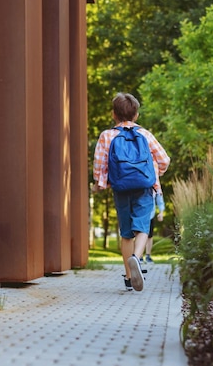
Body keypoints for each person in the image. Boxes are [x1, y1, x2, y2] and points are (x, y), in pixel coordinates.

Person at [92, 92, 170, 292]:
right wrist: (153, 175)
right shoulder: (145, 134)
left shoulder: (107, 136)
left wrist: (100, 184)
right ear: (136, 115)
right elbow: (164, 160)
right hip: (144, 187)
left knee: (126, 233)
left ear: (113, 114)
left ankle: (128, 277)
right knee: (142, 228)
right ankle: (137, 256)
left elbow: (100, 165)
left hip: (120, 187)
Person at [143, 189, 165, 264]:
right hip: (139, 212)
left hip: (150, 213)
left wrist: (161, 212)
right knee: (138, 234)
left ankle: (148, 256)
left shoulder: (155, 181)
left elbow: (159, 196)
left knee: (149, 235)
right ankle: (138, 256)